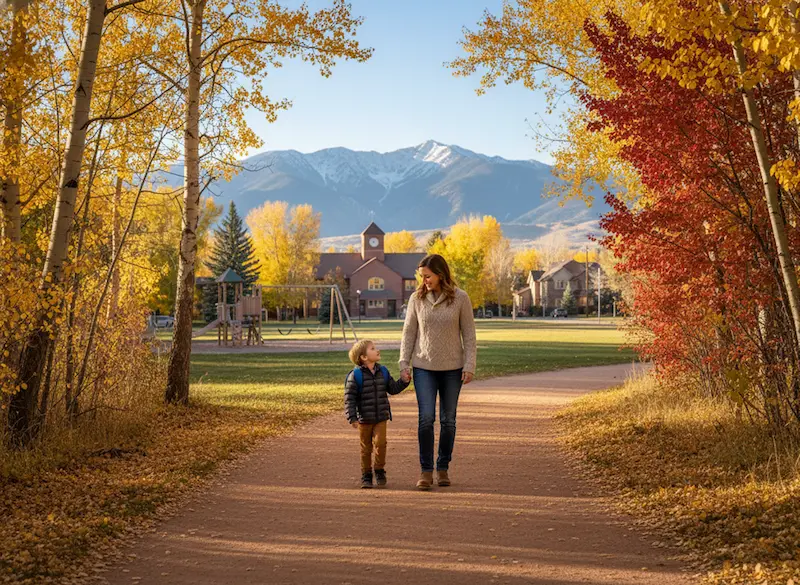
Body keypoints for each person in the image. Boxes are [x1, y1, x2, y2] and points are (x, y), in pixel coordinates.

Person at [399, 254, 477, 491]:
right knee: (426, 419)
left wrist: (469, 364)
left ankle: (442, 467)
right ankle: (425, 471)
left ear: (440, 274)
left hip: (452, 369)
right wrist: (404, 362)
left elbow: (470, 335)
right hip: (424, 367)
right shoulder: (416, 299)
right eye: (421, 277)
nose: (424, 281)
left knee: (448, 420)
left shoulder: (461, 298)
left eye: (427, 276)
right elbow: (408, 332)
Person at [345, 339, 410, 489]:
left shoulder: (383, 371)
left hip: (381, 417)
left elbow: (392, 388)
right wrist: (352, 417)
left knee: (381, 443)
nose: (377, 350)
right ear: (364, 357)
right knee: (366, 448)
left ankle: (379, 469)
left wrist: (404, 381)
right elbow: (349, 398)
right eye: (373, 348)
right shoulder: (355, 376)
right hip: (364, 419)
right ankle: (366, 474)